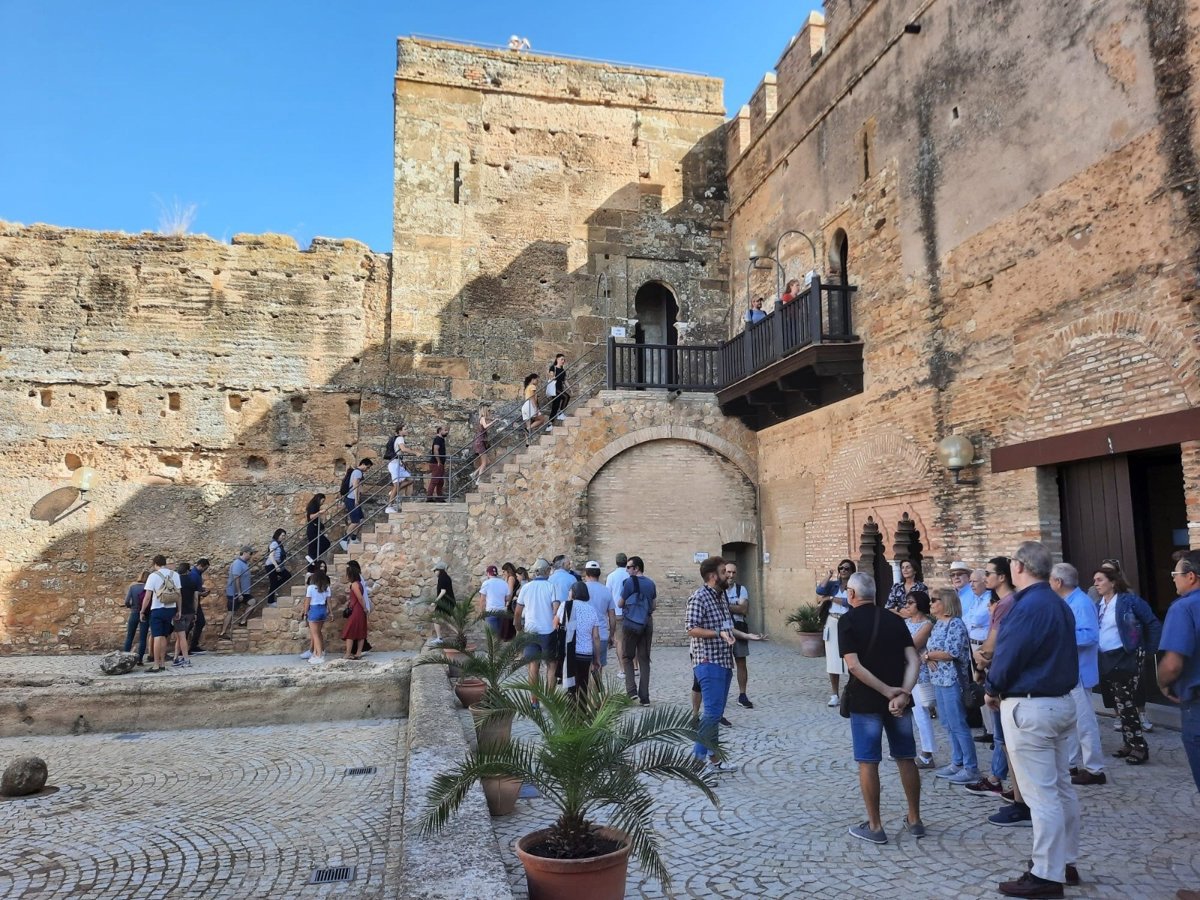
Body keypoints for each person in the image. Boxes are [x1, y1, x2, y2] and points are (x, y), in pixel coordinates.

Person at [984, 541, 1080, 899]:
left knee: (1042, 795)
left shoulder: (1026, 607)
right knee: (1061, 789)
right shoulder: (1058, 603)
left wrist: (991, 687)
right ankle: (1064, 862)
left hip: (1032, 706)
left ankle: (1046, 874)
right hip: (1060, 702)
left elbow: (1009, 656)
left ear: (1019, 567)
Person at [838, 571, 924, 844]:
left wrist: (887, 691)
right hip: (899, 701)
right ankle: (915, 819)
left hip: (866, 700)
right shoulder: (894, 620)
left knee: (868, 761)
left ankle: (875, 826)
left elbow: (853, 665)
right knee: (906, 757)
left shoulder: (847, 621)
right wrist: (904, 694)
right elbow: (914, 660)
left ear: (851, 594)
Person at [1094, 564, 1160, 765]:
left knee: (1127, 702)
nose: (1096, 584)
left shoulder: (1129, 601)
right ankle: (1129, 742)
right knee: (1118, 703)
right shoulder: (1098, 605)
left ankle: (1139, 747)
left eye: (1100, 580)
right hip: (1107, 658)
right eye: (1095, 580)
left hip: (1127, 655)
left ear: (1113, 582)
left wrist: (1150, 649)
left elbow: (1152, 622)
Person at [1048, 563, 1106, 786]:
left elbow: (1090, 636)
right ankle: (1070, 763)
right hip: (1069, 671)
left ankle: (1095, 769)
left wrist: (1060, 637)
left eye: (1051, 580)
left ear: (1059, 582)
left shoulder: (1081, 603)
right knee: (1069, 722)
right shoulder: (1067, 602)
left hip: (1079, 673)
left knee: (1084, 723)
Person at [686, 556, 739, 775]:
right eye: (723, 571)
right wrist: (717, 633)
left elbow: (727, 627)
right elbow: (691, 628)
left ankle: (714, 759)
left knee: (715, 714)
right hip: (708, 662)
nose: (728, 575)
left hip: (725, 661)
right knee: (711, 714)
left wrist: (747, 636)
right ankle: (696, 763)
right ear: (712, 576)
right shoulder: (699, 597)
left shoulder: (721, 596)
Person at [925, 588, 980, 784]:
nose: (931, 603)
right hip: (938, 680)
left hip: (952, 680)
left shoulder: (955, 624)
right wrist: (929, 656)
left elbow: (951, 652)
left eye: (934, 600)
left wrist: (928, 656)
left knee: (958, 724)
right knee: (947, 724)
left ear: (946, 603)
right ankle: (957, 761)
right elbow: (932, 650)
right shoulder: (938, 624)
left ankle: (971, 767)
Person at [1158, 550, 1200, 791]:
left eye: (1175, 574)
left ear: (1191, 576)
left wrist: (1163, 684)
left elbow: (1172, 664)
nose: (1173, 579)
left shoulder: (1183, 608)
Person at [900, 590, 936, 768]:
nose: (907, 606)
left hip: (920, 672)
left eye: (910, 602)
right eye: (906, 602)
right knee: (908, 712)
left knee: (921, 712)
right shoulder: (905, 623)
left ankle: (927, 753)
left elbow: (912, 644)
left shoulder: (927, 624)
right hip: (904, 670)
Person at [514, 558, 560, 692]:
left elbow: (518, 612)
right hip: (548, 631)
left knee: (533, 665)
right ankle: (550, 698)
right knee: (551, 665)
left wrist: (518, 628)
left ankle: (534, 699)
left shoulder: (526, 587)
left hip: (530, 631)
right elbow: (556, 609)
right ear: (547, 571)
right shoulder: (551, 587)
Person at [817, 559, 856, 707]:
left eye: (846, 568)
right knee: (832, 660)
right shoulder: (833, 585)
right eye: (841, 568)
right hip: (832, 621)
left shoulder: (854, 586)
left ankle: (852, 692)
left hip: (848, 622)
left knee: (851, 657)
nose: (843, 571)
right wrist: (828, 575)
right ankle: (834, 694)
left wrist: (831, 598)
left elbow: (849, 602)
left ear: (852, 571)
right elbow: (820, 590)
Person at [619, 556, 657, 705]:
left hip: (631, 624)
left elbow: (620, 603)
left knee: (627, 657)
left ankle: (631, 691)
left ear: (636, 568)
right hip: (646, 623)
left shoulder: (629, 582)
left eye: (629, 567)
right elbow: (653, 606)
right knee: (644, 659)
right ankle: (645, 697)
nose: (627, 570)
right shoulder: (651, 583)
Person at [557, 580, 600, 696]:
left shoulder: (565, 605)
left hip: (570, 652)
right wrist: (597, 658)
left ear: (573, 592)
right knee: (583, 685)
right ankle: (582, 706)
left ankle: (571, 705)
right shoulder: (591, 610)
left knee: (571, 686)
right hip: (586, 653)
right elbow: (596, 636)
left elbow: (556, 624)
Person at [140, 555, 182, 673]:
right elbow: (179, 595)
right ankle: (163, 663)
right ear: (165, 563)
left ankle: (156, 665)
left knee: (157, 636)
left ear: (155, 564)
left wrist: (142, 611)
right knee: (164, 636)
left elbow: (147, 597)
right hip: (171, 609)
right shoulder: (175, 574)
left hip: (157, 608)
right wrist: (179, 610)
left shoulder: (153, 576)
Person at [724, 560, 755, 709]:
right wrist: (735, 605)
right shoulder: (719, 589)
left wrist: (724, 606)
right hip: (723, 630)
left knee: (741, 662)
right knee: (722, 664)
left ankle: (743, 695)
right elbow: (739, 607)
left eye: (733, 572)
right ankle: (721, 695)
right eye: (728, 572)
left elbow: (743, 609)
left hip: (739, 628)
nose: (731, 575)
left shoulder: (741, 589)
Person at [582, 561, 616, 668]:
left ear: (586, 573)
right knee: (598, 667)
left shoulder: (580, 589)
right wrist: (612, 635)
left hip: (583, 635)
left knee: (584, 669)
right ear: (599, 574)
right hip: (601, 634)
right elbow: (612, 616)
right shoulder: (606, 591)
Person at [220, 546, 253, 639]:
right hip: (234, 593)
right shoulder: (237, 563)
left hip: (244, 592)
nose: (251, 556)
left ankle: (242, 621)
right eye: (250, 553)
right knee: (231, 612)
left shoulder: (244, 563)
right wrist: (239, 593)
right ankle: (222, 633)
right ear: (245, 552)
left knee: (253, 602)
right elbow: (236, 578)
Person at [606, 553, 630, 668]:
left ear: (616, 562)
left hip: (616, 612)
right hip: (630, 613)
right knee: (631, 640)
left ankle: (622, 668)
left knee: (619, 641)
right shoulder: (630, 575)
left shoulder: (611, 576)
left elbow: (608, 595)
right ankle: (634, 666)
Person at [341, 458, 373, 547]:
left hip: (353, 499)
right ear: (363, 464)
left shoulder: (357, 472)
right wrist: (356, 499)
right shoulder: (358, 472)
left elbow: (358, 487)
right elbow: (355, 486)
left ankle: (353, 538)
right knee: (355, 521)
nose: (367, 469)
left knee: (361, 519)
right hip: (351, 499)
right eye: (367, 467)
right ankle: (344, 540)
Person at [303, 566, 330, 664]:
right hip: (323, 610)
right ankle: (317, 652)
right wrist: (331, 613)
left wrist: (305, 613)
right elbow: (329, 601)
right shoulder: (327, 587)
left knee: (315, 634)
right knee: (318, 632)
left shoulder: (310, 588)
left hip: (314, 609)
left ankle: (319, 656)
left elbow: (307, 602)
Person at [341, 563, 368, 660]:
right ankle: (358, 653)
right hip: (359, 610)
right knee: (361, 631)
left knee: (350, 631)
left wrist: (364, 608)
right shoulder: (359, 584)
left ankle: (348, 654)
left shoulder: (354, 585)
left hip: (356, 610)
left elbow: (360, 598)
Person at [122, 570, 150, 664]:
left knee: (130, 636)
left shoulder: (133, 587)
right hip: (145, 614)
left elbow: (126, 601)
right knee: (143, 638)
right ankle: (140, 659)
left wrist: (131, 607)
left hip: (134, 612)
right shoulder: (149, 587)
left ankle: (125, 658)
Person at [385, 423, 413, 512]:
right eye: (405, 429)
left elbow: (398, 452)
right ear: (400, 431)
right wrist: (416, 452)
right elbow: (403, 449)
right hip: (394, 465)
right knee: (396, 485)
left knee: (410, 479)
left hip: (398, 464)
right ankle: (389, 507)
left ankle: (393, 491)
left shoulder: (396, 438)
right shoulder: (400, 438)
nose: (407, 430)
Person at [172, 561, 195, 668]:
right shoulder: (192, 581)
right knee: (182, 636)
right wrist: (195, 611)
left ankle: (185, 659)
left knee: (180, 636)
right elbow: (195, 598)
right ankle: (176, 657)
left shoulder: (176, 581)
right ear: (188, 570)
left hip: (179, 611)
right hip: (189, 611)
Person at [478, 564, 510, 634]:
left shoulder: (486, 583)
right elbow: (507, 598)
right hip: (502, 612)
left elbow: (482, 600)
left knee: (492, 635)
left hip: (490, 612)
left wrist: (482, 612)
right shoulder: (504, 583)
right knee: (500, 635)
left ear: (488, 573)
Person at [187, 558, 211, 654]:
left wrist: (202, 590)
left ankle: (192, 645)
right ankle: (187, 646)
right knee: (193, 623)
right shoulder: (194, 575)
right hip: (193, 603)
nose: (205, 570)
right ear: (201, 565)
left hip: (195, 602)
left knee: (197, 623)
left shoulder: (196, 574)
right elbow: (193, 592)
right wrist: (202, 593)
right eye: (205, 568)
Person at [430, 558, 455, 646]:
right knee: (443, 620)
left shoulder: (442, 578)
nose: (434, 572)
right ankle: (459, 634)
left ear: (439, 570)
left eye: (435, 570)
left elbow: (443, 591)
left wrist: (435, 602)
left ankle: (440, 638)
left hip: (445, 603)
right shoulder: (445, 577)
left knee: (438, 618)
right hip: (447, 602)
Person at [266, 528, 290, 605]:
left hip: (277, 565)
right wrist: (276, 566)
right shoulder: (274, 543)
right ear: (278, 535)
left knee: (287, 576)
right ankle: (270, 601)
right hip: (271, 565)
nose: (284, 537)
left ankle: (274, 587)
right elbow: (271, 555)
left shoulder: (279, 544)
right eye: (282, 535)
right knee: (273, 582)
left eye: (284, 536)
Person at [471, 405, 493, 484]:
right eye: (488, 410)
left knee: (487, 461)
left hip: (480, 442)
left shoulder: (481, 419)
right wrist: (493, 422)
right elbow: (485, 426)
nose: (489, 412)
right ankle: (478, 480)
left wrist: (491, 421)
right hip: (480, 442)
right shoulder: (482, 418)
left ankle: (474, 474)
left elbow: (484, 427)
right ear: (485, 411)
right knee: (484, 463)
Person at [521, 373, 547, 438]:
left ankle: (528, 442)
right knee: (542, 419)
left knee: (528, 427)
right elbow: (532, 398)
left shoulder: (527, 387)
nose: (537, 382)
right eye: (537, 380)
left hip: (525, 406)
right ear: (533, 379)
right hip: (530, 405)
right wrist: (536, 408)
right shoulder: (532, 386)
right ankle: (527, 429)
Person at [305, 493, 329, 562]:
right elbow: (311, 517)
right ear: (319, 499)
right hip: (312, 528)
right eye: (322, 501)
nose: (322, 503)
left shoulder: (314, 506)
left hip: (313, 528)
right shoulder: (313, 506)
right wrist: (320, 513)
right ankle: (313, 557)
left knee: (313, 547)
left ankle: (311, 563)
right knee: (326, 543)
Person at [547, 353, 570, 422]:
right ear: (557, 359)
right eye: (562, 359)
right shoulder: (553, 367)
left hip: (560, 388)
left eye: (564, 360)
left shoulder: (563, 371)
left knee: (555, 406)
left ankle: (550, 424)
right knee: (566, 397)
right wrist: (552, 376)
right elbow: (551, 376)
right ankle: (560, 414)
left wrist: (570, 388)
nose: (563, 361)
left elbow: (565, 380)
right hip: (555, 388)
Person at [427, 427, 447, 501]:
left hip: (439, 463)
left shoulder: (441, 439)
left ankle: (439, 497)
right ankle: (429, 497)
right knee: (435, 480)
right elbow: (435, 450)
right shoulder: (438, 439)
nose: (447, 432)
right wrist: (438, 461)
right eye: (445, 430)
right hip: (436, 463)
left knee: (440, 481)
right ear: (440, 431)